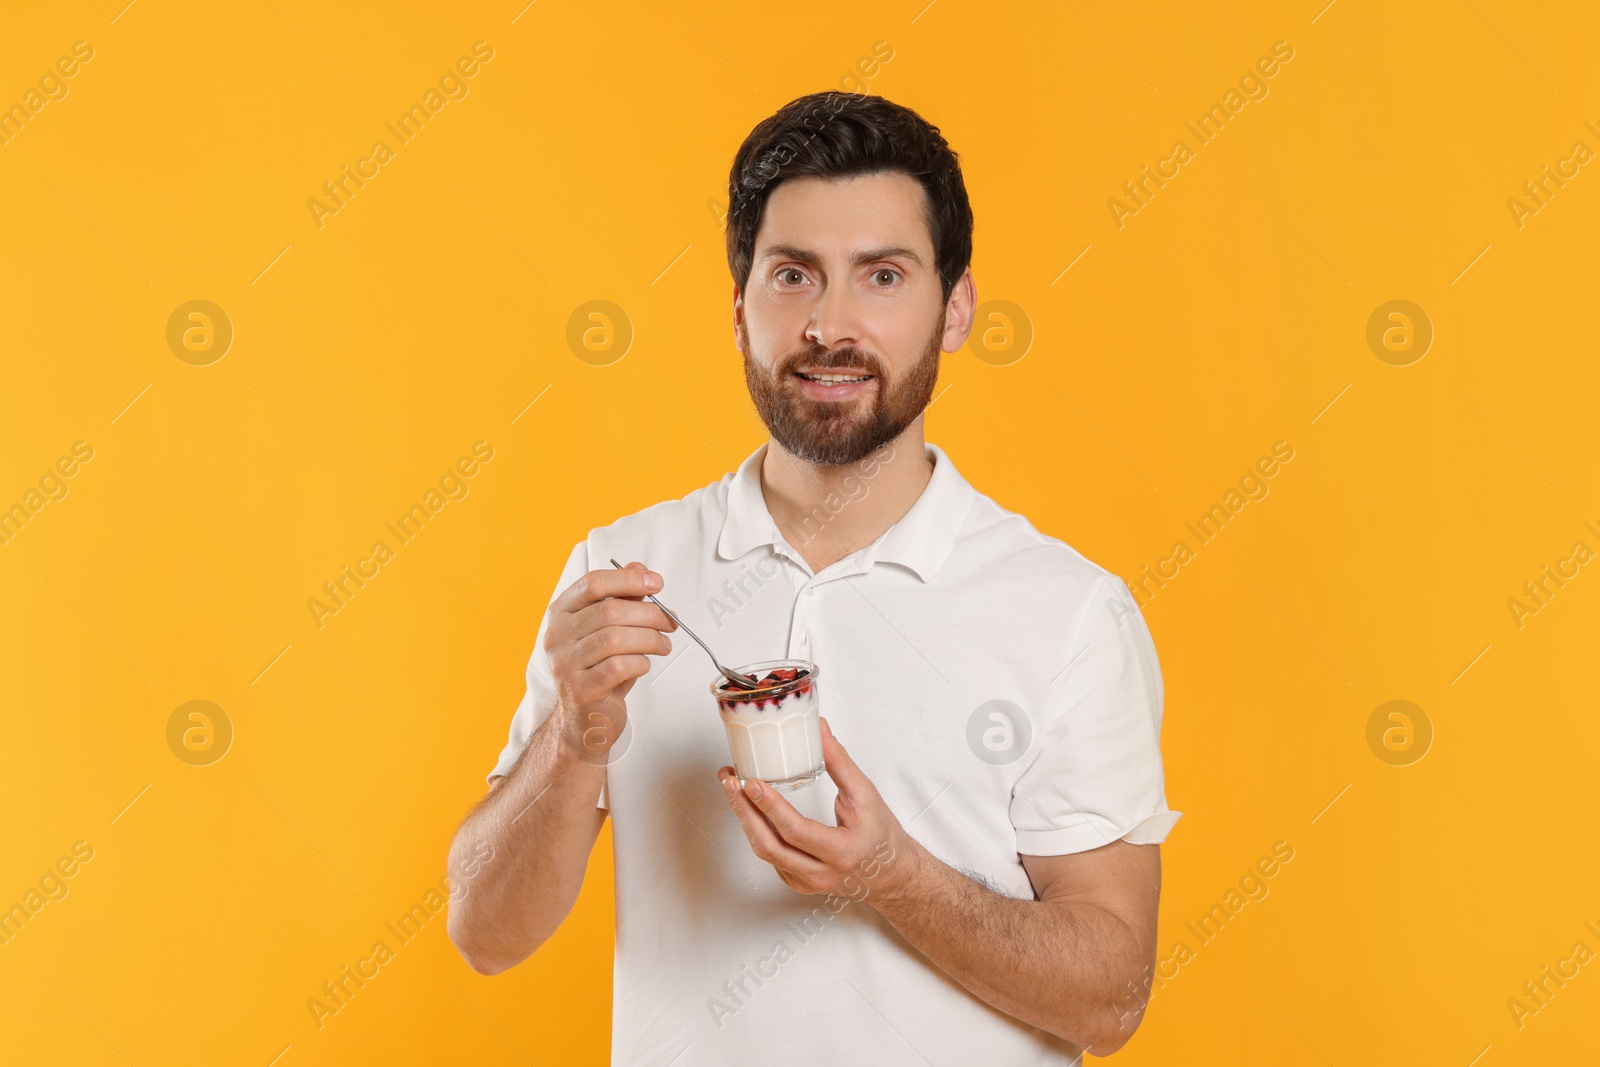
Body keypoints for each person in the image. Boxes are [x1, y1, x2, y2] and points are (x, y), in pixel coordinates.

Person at [446, 89, 1180, 1064]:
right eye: (792, 274)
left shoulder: (1067, 612)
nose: (829, 325)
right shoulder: (624, 574)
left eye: (881, 275)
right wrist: (571, 740)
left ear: (954, 307)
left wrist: (890, 874)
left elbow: (1110, 998)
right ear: (739, 306)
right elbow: (485, 930)